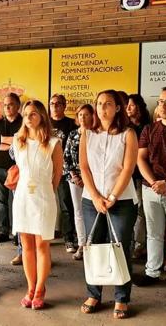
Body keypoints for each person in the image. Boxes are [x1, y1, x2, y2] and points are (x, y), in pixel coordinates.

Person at [79, 90, 138, 319]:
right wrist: (95, 196)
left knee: (120, 248)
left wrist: (111, 197)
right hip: (90, 200)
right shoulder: (87, 133)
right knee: (94, 246)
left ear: (118, 108)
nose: (103, 108)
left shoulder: (128, 134)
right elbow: (84, 167)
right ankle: (94, 293)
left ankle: (121, 298)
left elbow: (128, 168)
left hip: (121, 201)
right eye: (100, 103)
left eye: (108, 104)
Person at [11, 100, 62, 310]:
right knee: (27, 246)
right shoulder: (18, 139)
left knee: (42, 246)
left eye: (33, 114)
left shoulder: (53, 142)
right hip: (22, 196)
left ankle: (40, 289)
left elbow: (57, 174)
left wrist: (45, 191)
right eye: (25, 115)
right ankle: (30, 288)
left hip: (43, 196)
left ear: (42, 115)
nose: (28, 118)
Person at [134, 87, 166, 298]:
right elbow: (140, 158)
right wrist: (154, 182)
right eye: (161, 101)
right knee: (153, 234)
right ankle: (152, 272)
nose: (163, 106)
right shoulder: (149, 129)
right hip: (151, 190)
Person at [63, 104, 94, 260]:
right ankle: (81, 244)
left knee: (93, 211)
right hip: (74, 179)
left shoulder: (96, 134)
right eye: (80, 114)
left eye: (86, 114)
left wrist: (87, 177)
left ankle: (92, 243)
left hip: (93, 179)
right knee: (78, 211)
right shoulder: (73, 134)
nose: (83, 117)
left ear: (92, 116)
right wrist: (75, 176)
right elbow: (66, 157)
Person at [0, 93, 22, 244]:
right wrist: (12, 141)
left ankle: (18, 233)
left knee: (18, 201)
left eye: (10, 104)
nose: (7, 107)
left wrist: (6, 141)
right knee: (1, 201)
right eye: (5, 105)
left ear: (18, 106)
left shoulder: (24, 123)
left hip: (17, 168)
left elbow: (22, 142)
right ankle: (3, 231)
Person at [49, 94, 77, 254]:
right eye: (52, 103)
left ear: (64, 106)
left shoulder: (70, 124)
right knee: (45, 204)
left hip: (65, 171)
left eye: (58, 104)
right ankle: (44, 236)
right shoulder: (44, 122)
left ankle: (69, 239)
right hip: (45, 170)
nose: (55, 106)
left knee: (66, 205)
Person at [126, 94, 151, 259]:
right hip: (126, 175)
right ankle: (128, 244)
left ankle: (139, 246)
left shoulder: (147, 128)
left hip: (142, 176)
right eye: (126, 105)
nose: (128, 108)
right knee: (129, 211)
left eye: (131, 105)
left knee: (141, 211)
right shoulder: (125, 128)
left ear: (140, 108)